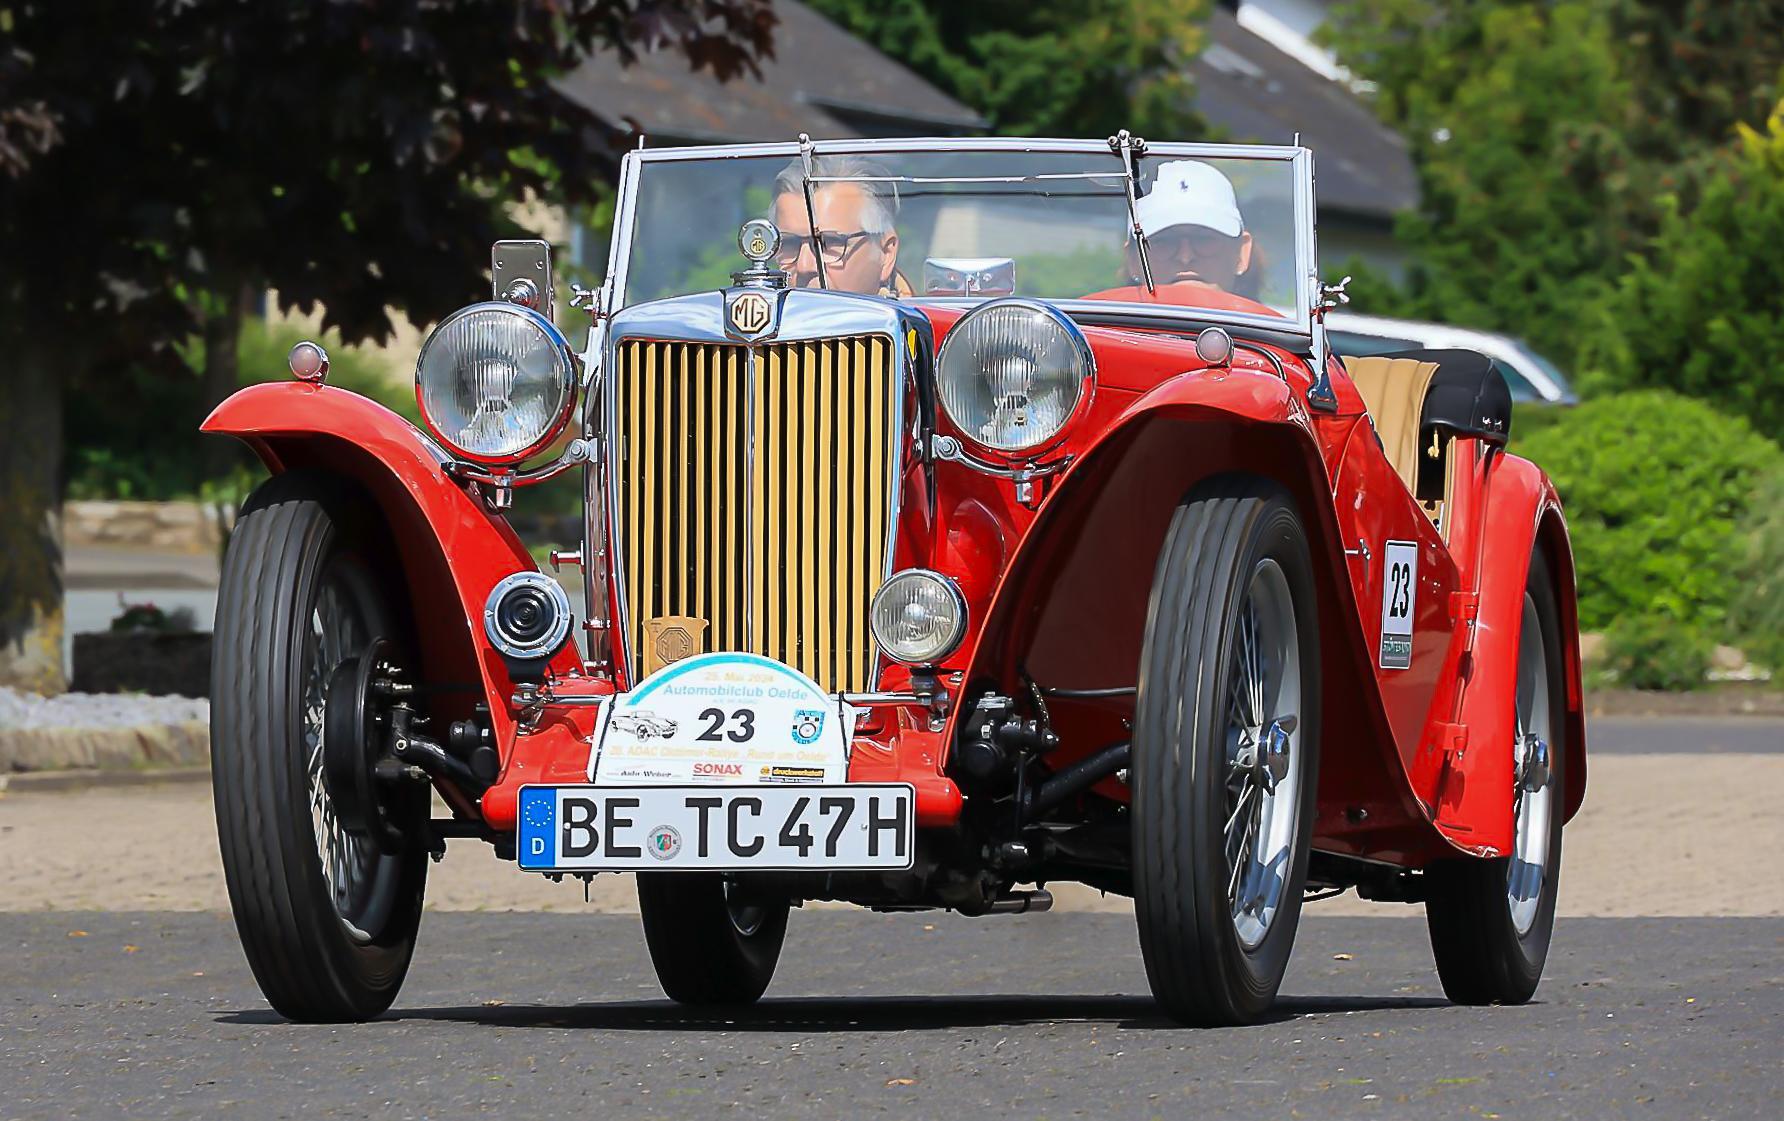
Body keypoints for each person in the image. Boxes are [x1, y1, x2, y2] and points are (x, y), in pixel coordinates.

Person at [768, 156, 910, 297]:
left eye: (828, 243)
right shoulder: (756, 316)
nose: (804, 266)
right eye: (789, 244)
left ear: (886, 253)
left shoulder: (923, 317)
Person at [1127, 159, 1256, 295]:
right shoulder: (1102, 311)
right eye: (1163, 241)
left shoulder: (1274, 317)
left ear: (1242, 253)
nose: (1185, 257)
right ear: (1133, 259)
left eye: (1205, 239)